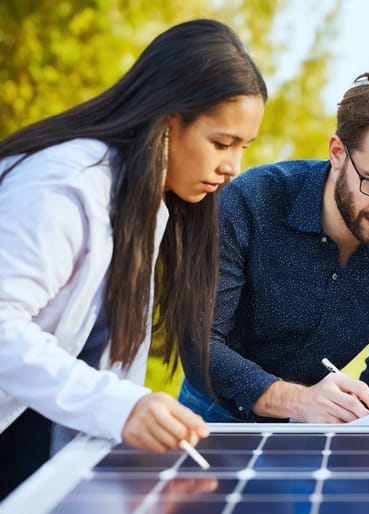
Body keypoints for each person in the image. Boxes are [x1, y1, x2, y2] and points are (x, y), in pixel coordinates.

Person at [0, 18, 267, 496]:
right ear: (166, 121)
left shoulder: (149, 204)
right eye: (221, 143)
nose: (232, 168)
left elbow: (104, 371)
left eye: (242, 148)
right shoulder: (63, 186)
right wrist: (120, 408)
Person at [178, 64, 369, 424]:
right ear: (337, 152)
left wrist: (368, 427)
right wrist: (298, 401)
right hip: (211, 412)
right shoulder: (250, 201)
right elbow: (200, 344)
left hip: (311, 426)